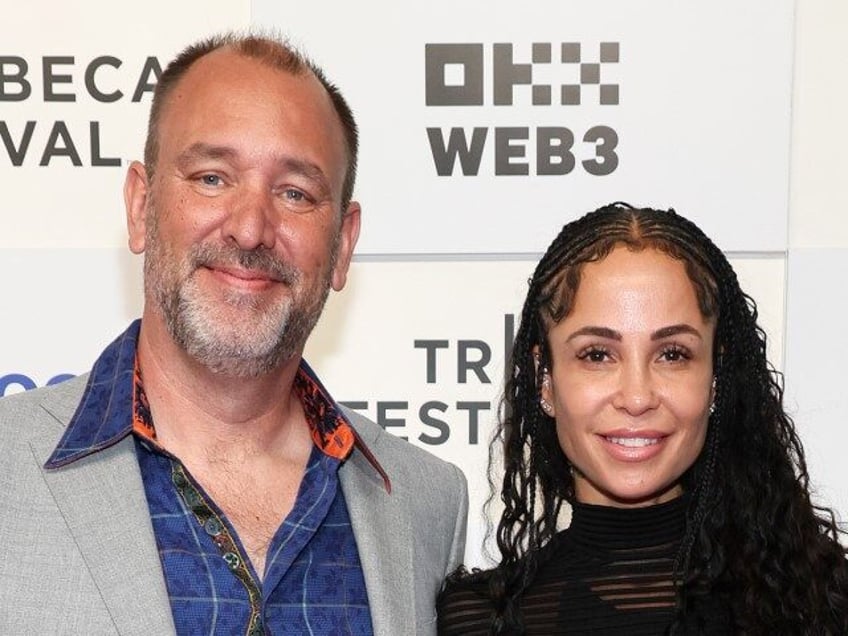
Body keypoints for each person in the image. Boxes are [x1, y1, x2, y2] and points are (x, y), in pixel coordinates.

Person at [0, 32, 467, 635]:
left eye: (295, 193)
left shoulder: (427, 503)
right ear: (142, 206)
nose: (250, 230)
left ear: (343, 245)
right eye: (212, 178)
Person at [437, 202, 848, 635]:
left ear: (715, 379)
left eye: (673, 355)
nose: (636, 397)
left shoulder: (822, 605)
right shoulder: (480, 619)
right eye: (597, 355)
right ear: (545, 381)